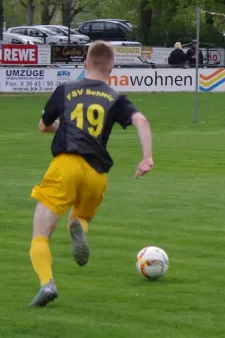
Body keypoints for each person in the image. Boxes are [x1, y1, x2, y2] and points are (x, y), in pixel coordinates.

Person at [28, 41, 154, 307]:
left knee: (40, 234)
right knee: (82, 216)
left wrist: (65, 128)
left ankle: (47, 283)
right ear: (111, 68)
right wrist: (146, 158)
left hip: (66, 165)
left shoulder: (65, 90)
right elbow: (141, 120)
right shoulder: (115, 97)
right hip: (96, 174)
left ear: (84, 64)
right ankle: (78, 226)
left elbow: (43, 126)